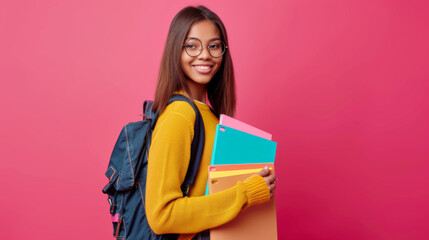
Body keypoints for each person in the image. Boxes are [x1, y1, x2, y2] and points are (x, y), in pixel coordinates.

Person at [146, 5, 277, 240]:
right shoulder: (178, 116)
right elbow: (161, 215)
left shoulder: (211, 116)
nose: (205, 55)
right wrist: (246, 193)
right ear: (176, 50)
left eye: (214, 46)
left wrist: (259, 181)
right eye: (192, 46)